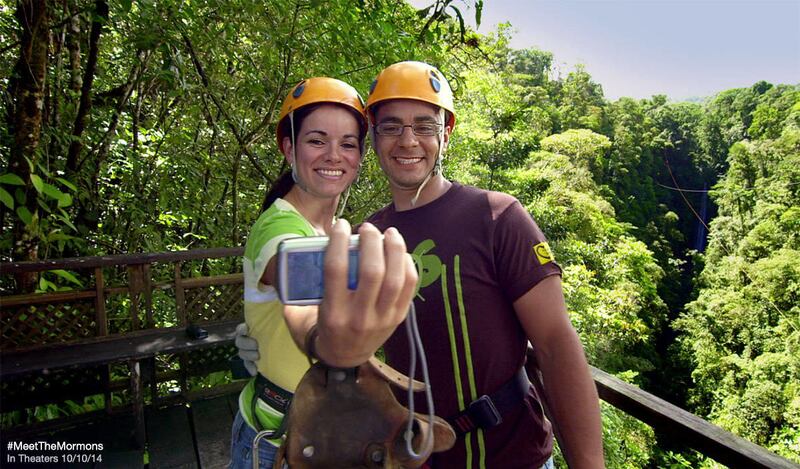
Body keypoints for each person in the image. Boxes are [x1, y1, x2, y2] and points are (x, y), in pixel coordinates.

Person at [238, 62, 605, 468]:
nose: (408, 140)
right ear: (375, 138)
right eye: (391, 126)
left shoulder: (496, 217)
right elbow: (310, 304)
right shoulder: (367, 237)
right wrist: (272, 342)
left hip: (513, 453)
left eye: (425, 126)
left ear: (445, 135)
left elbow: (555, 343)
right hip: (409, 454)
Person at [230, 76, 418, 469]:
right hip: (276, 440)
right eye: (317, 141)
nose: (334, 155)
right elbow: (299, 290)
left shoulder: (333, 232)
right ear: (289, 148)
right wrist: (327, 343)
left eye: (348, 144)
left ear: (359, 157)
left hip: (323, 434)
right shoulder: (280, 227)